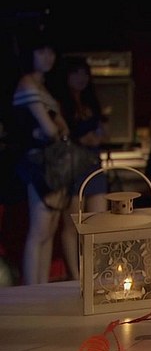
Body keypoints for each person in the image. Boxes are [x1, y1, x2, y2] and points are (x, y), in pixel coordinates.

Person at [11, 28, 72, 284]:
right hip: (38, 162)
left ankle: (41, 288)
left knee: (49, 229)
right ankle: (33, 291)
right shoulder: (27, 83)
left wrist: (56, 130)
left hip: (51, 161)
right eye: (41, 51)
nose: (48, 57)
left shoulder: (42, 86)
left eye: (51, 52)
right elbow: (51, 129)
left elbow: (62, 129)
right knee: (40, 230)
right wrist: (55, 130)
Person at [50, 55, 109, 281]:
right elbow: (61, 134)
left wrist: (98, 136)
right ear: (67, 76)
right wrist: (81, 138)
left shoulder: (91, 102)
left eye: (85, 73)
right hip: (72, 165)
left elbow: (104, 129)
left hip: (93, 163)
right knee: (73, 223)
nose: (81, 78)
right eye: (76, 73)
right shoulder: (61, 104)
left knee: (98, 221)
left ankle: (95, 271)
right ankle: (74, 275)